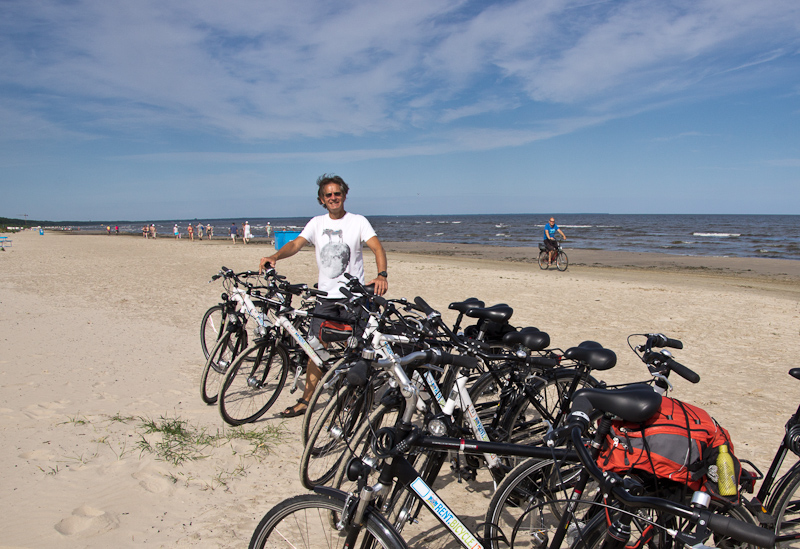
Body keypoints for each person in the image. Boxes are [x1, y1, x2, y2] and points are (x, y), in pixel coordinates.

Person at [259, 174, 388, 418]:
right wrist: (275, 256)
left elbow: (377, 248)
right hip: (324, 297)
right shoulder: (316, 223)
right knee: (315, 348)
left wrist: (381, 275)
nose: (333, 198)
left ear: (344, 195)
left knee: (358, 348)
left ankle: (354, 397)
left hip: (353, 297)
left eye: (336, 193)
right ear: (321, 199)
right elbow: (296, 244)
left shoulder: (358, 221)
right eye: (328, 195)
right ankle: (306, 400)